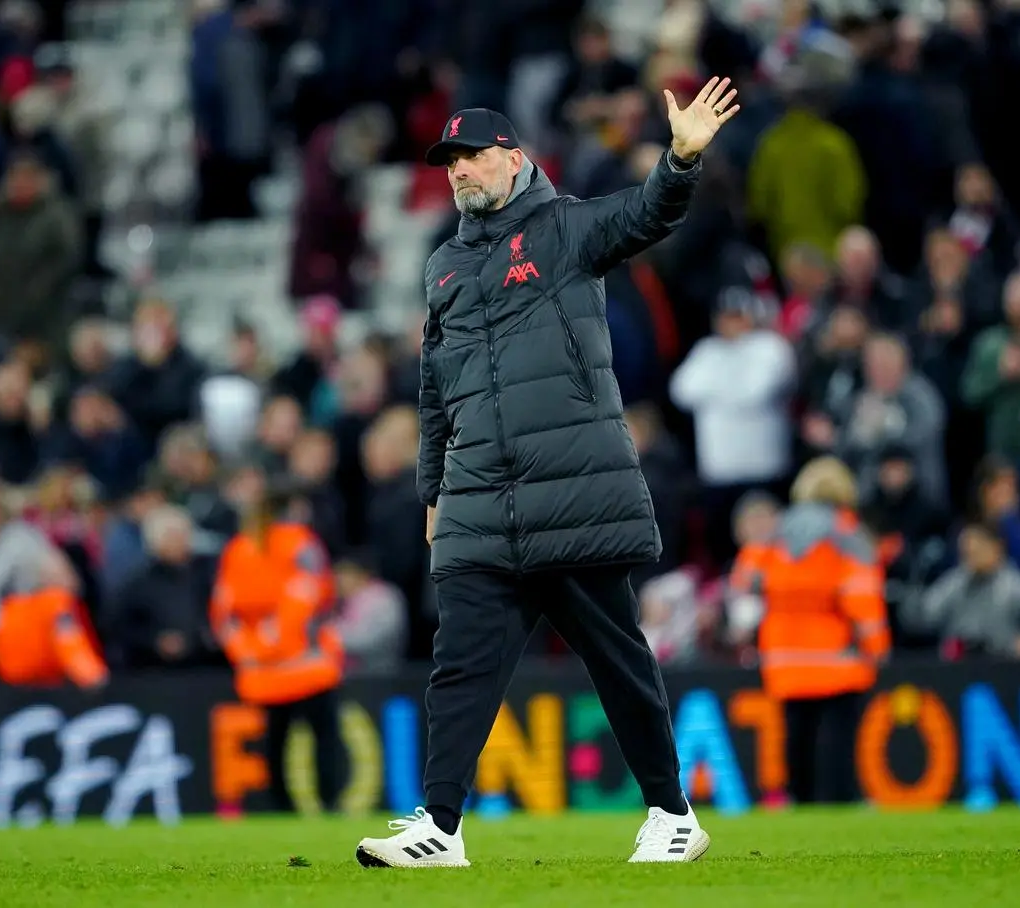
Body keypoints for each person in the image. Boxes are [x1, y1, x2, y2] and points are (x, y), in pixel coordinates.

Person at [356, 77, 741, 868]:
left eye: (471, 157)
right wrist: (433, 490)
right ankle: (440, 826)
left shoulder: (565, 228)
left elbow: (645, 215)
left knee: (618, 661)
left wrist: (680, 160)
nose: (458, 171)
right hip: (479, 502)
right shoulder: (443, 269)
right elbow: (434, 392)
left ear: (513, 159)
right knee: (459, 664)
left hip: (568, 491)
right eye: (448, 162)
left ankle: (672, 814)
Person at [729, 457, 891, 804]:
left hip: (784, 656)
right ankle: (838, 801)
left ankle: (797, 800)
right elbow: (861, 598)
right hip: (837, 656)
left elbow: (746, 584)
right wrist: (877, 647)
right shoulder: (848, 535)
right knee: (837, 738)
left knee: (796, 734)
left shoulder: (775, 533)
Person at [210, 475, 346, 814]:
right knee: (323, 737)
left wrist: (250, 649)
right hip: (307, 664)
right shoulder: (302, 544)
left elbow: (224, 613)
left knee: (276, 741)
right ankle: (329, 804)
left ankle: (281, 809)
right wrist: (278, 640)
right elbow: (312, 594)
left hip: (264, 669)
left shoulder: (238, 549)